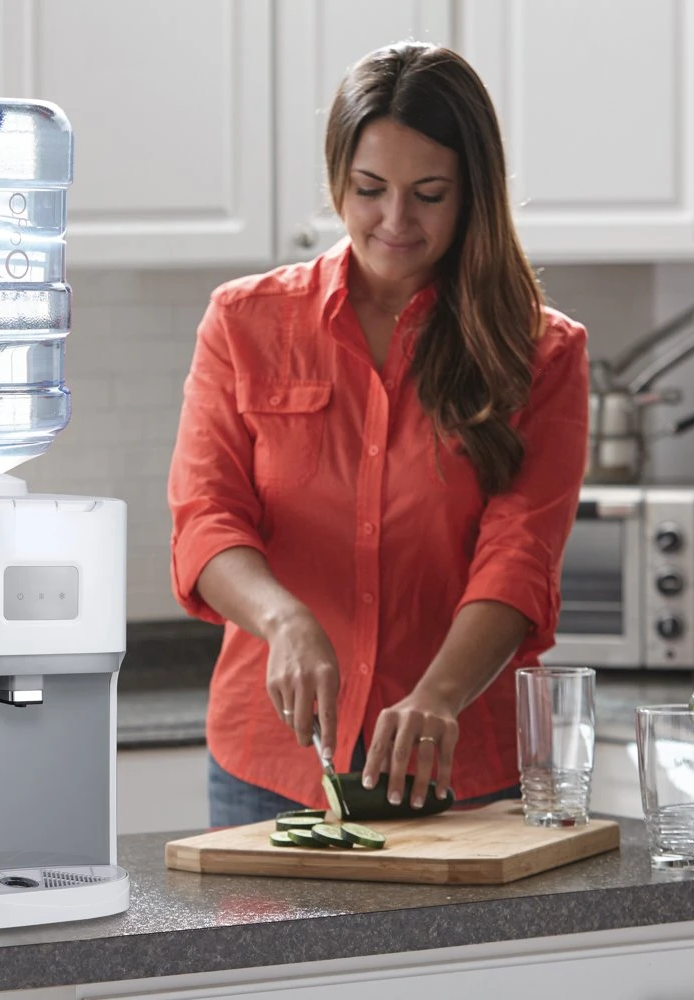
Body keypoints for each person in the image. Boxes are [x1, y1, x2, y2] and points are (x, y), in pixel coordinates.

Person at [167, 41, 589, 826]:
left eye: (429, 194)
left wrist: (440, 695)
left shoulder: (541, 353)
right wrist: (283, 620)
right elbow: (206, 518)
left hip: (459, 762)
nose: (396, 221)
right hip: (274, 761)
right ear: (338, 180)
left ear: (473, 194)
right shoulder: (244, 323)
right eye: (369, 190)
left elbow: (520, 555)